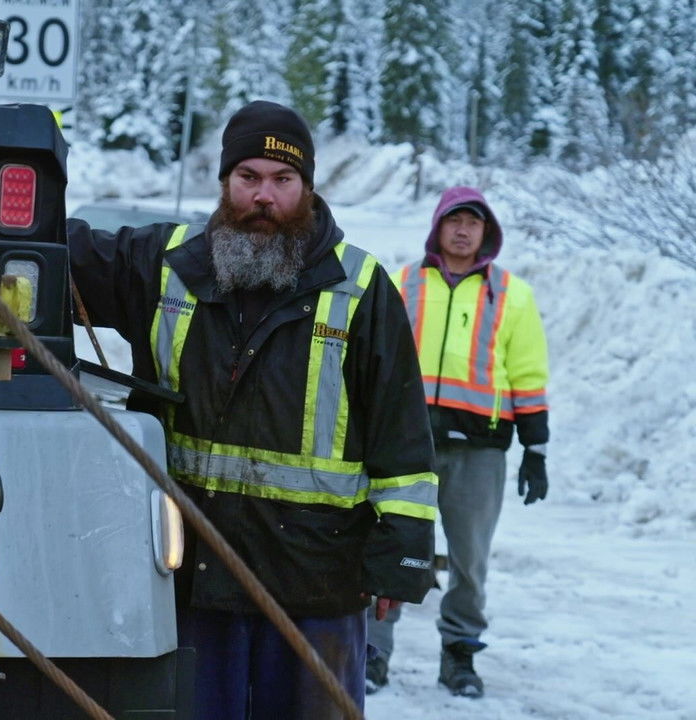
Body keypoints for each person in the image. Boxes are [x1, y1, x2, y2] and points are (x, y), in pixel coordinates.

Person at [66, 101, 438, 718]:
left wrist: (401, 555)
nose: (265, 196)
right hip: (191, 580)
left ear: (308, 188)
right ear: (224, 182)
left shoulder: (361, 289)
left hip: (315, 584)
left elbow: (401, 433)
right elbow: (56, 253)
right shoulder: (167, 266)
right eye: (249, 177)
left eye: (282, 179)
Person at [365, 187, 550, 698]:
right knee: (392, 545)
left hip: (479, 450)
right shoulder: (403, 284)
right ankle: (373, 651)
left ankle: (460, 655)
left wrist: (535, 448)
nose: (463, 230)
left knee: (470, 561)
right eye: (454, 221)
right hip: (407, 446)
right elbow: (374, 360)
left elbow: (528, 374)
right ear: (437, 227)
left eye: (473, 222)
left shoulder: (511, 295)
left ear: (487, 232)